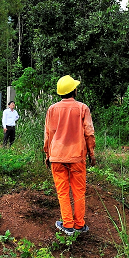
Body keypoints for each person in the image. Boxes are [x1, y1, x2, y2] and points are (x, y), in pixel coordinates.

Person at [44, 75, 95, 236]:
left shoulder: (52, 109)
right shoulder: (82, 108)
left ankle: (67, 226)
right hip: (77, 156)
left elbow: (49, 134)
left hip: (57, 157)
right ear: (74, 90)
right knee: (79, 191)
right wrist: (92, 154)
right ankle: (79, 225)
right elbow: (89, 133)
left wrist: (47, 154)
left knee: (62, 192)